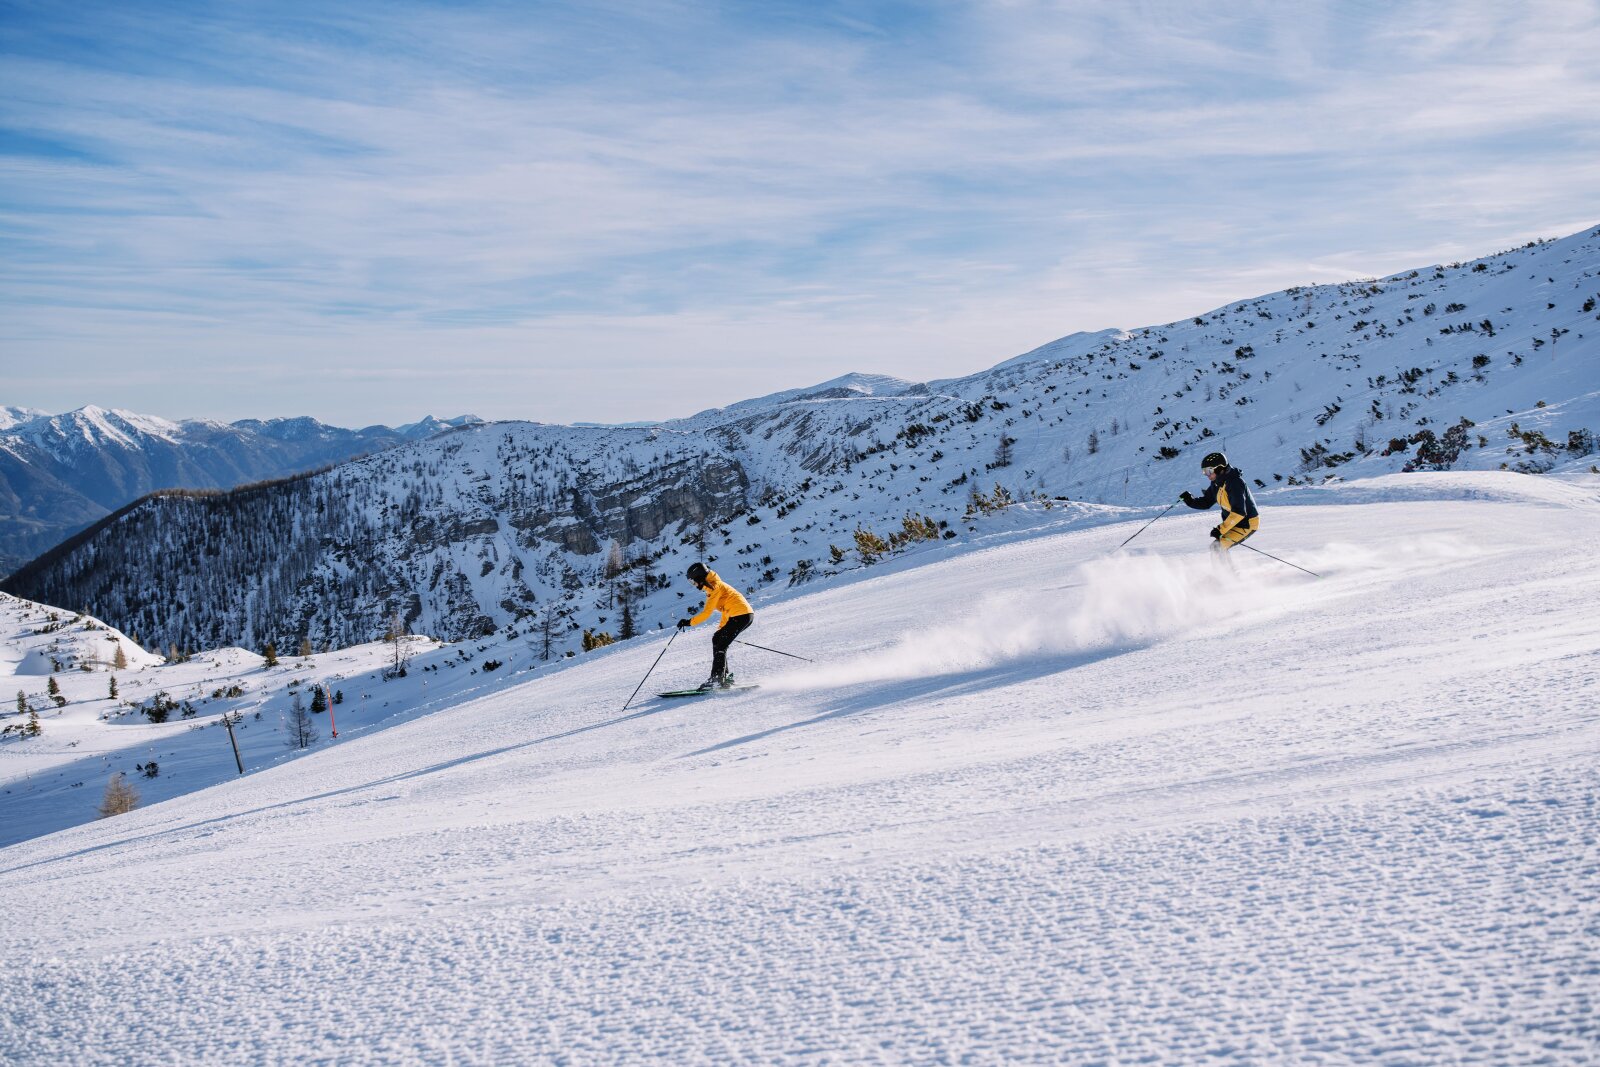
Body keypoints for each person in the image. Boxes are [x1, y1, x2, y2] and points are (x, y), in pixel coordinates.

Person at [677, 562, 754, 690]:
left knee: (721, 644)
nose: (695, 585)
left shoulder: (714, 587)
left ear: (699, 577)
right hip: (741, 615)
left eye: (693, 582)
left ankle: (717, 679)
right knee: (717, 639)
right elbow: (726, 610)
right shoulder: (713, 586)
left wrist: (689, 622)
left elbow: (707, 613)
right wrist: (721, 631)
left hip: (741, 615)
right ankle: (724, 677)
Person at [1180, 451, 1259, 552]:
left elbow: (1239, 512)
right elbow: (1207, 502)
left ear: (1219, 468)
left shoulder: (1235, 483)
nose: (1206, 475)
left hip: (1246, 523)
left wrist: (1220, 529)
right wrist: (1190, 501)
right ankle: (1226, 568)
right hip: (1232, 522)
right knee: (1217, 547)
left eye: (1208, 471)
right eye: (1204, 472)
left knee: (1217, 547)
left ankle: (1226, 568)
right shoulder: (1216, 483)